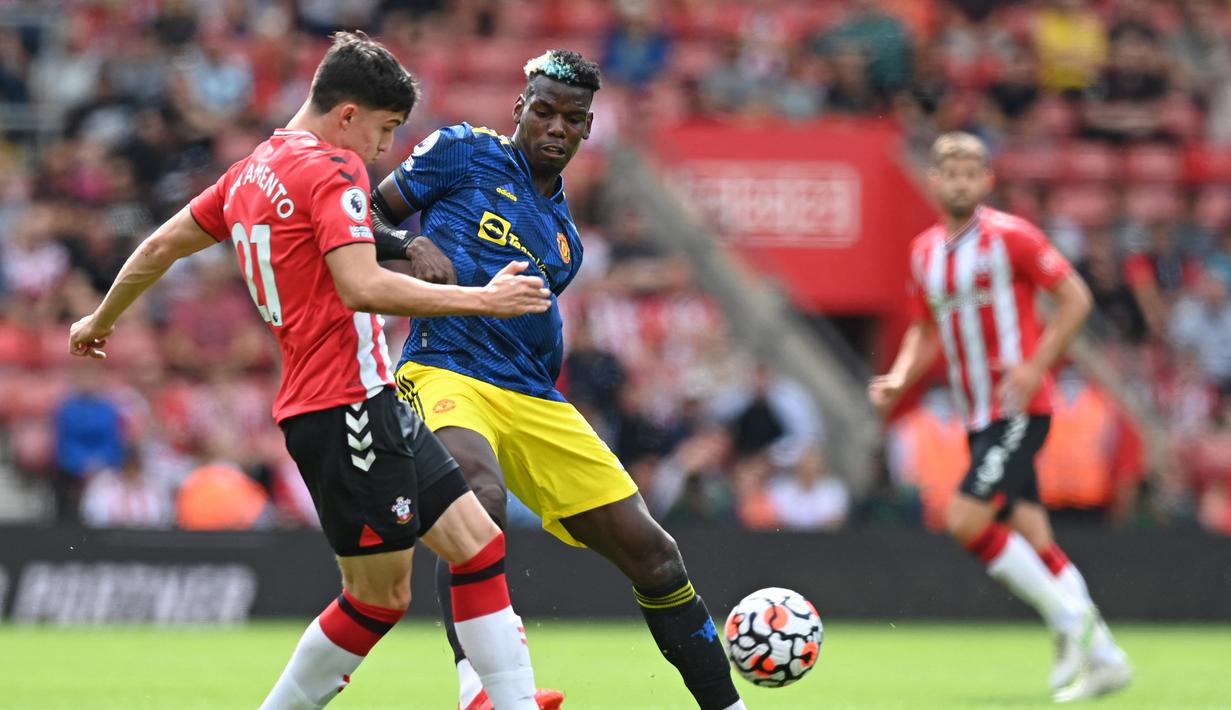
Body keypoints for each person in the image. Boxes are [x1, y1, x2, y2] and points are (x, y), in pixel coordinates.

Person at [69, 32, 554, 710]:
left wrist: (101, 318)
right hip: (345, 408)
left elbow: (160, 244)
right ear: (348, 114)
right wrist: (483, 301)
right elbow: (360, 286)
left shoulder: (252, 170)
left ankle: (508, 702)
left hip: (364, 398)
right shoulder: (333, 169)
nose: (383, 151)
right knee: (378, 599)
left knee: (476, 544)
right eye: (384, 130)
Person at [369, 50, 746, 710]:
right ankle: (477, 690)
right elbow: (355, 218)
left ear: (586, 129)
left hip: (533, 397)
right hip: (443, 369)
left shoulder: (566, 241)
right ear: (519, 109)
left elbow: (535, 333)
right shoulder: (460, 151)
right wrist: (406, 244)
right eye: (542, 111)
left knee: (654, 556)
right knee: (476, 501)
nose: (554, 127)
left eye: (571, 119)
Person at [868, 132, 1131, 702]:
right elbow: (923, 327)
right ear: (935, 182)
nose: (961, 182)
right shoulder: (925, 253)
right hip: (976, 416)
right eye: (950, 173)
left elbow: (1076, 298)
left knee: (964, 518)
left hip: (1018, 409)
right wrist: (898, 376)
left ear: (987, 180)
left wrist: (1037, 366)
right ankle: (1102, 656)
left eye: (971, 172)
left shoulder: (1012, 236)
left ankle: (1075, 626)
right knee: (1035, 535)